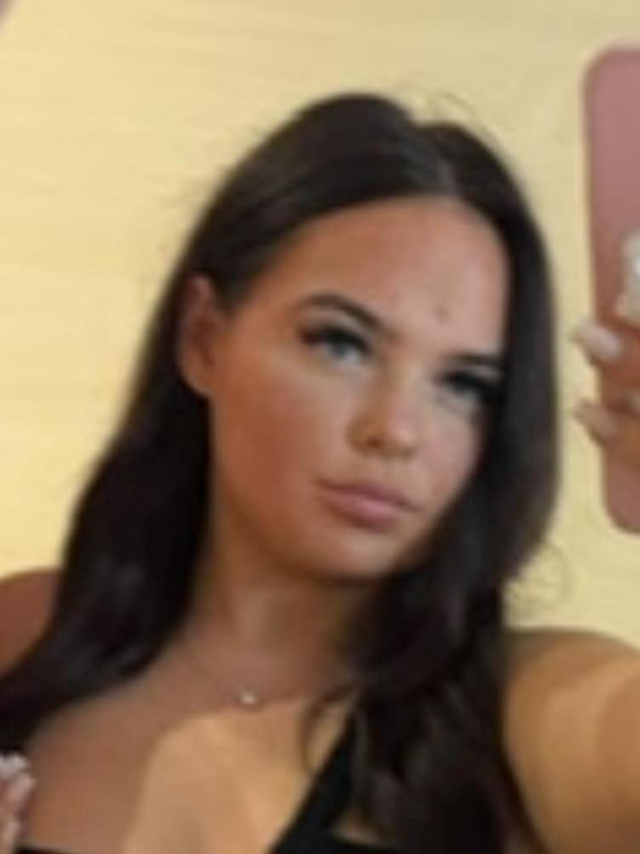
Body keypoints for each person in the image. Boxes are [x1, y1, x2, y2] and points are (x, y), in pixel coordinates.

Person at [0, 90, 625, 854]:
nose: (395, 430)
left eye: (463, 385)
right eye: (341, 344)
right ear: (203, 338)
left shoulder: (526, 709)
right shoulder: (24, 638)